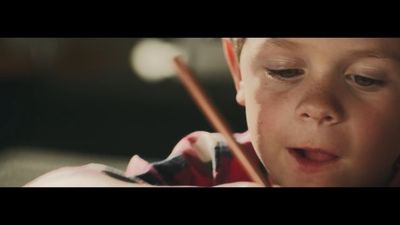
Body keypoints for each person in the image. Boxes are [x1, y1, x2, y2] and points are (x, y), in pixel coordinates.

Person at [24, 38, 400, 187]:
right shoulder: (216, 164)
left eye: (365, 79)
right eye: (284, 70)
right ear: (238, 70)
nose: (318, 107)